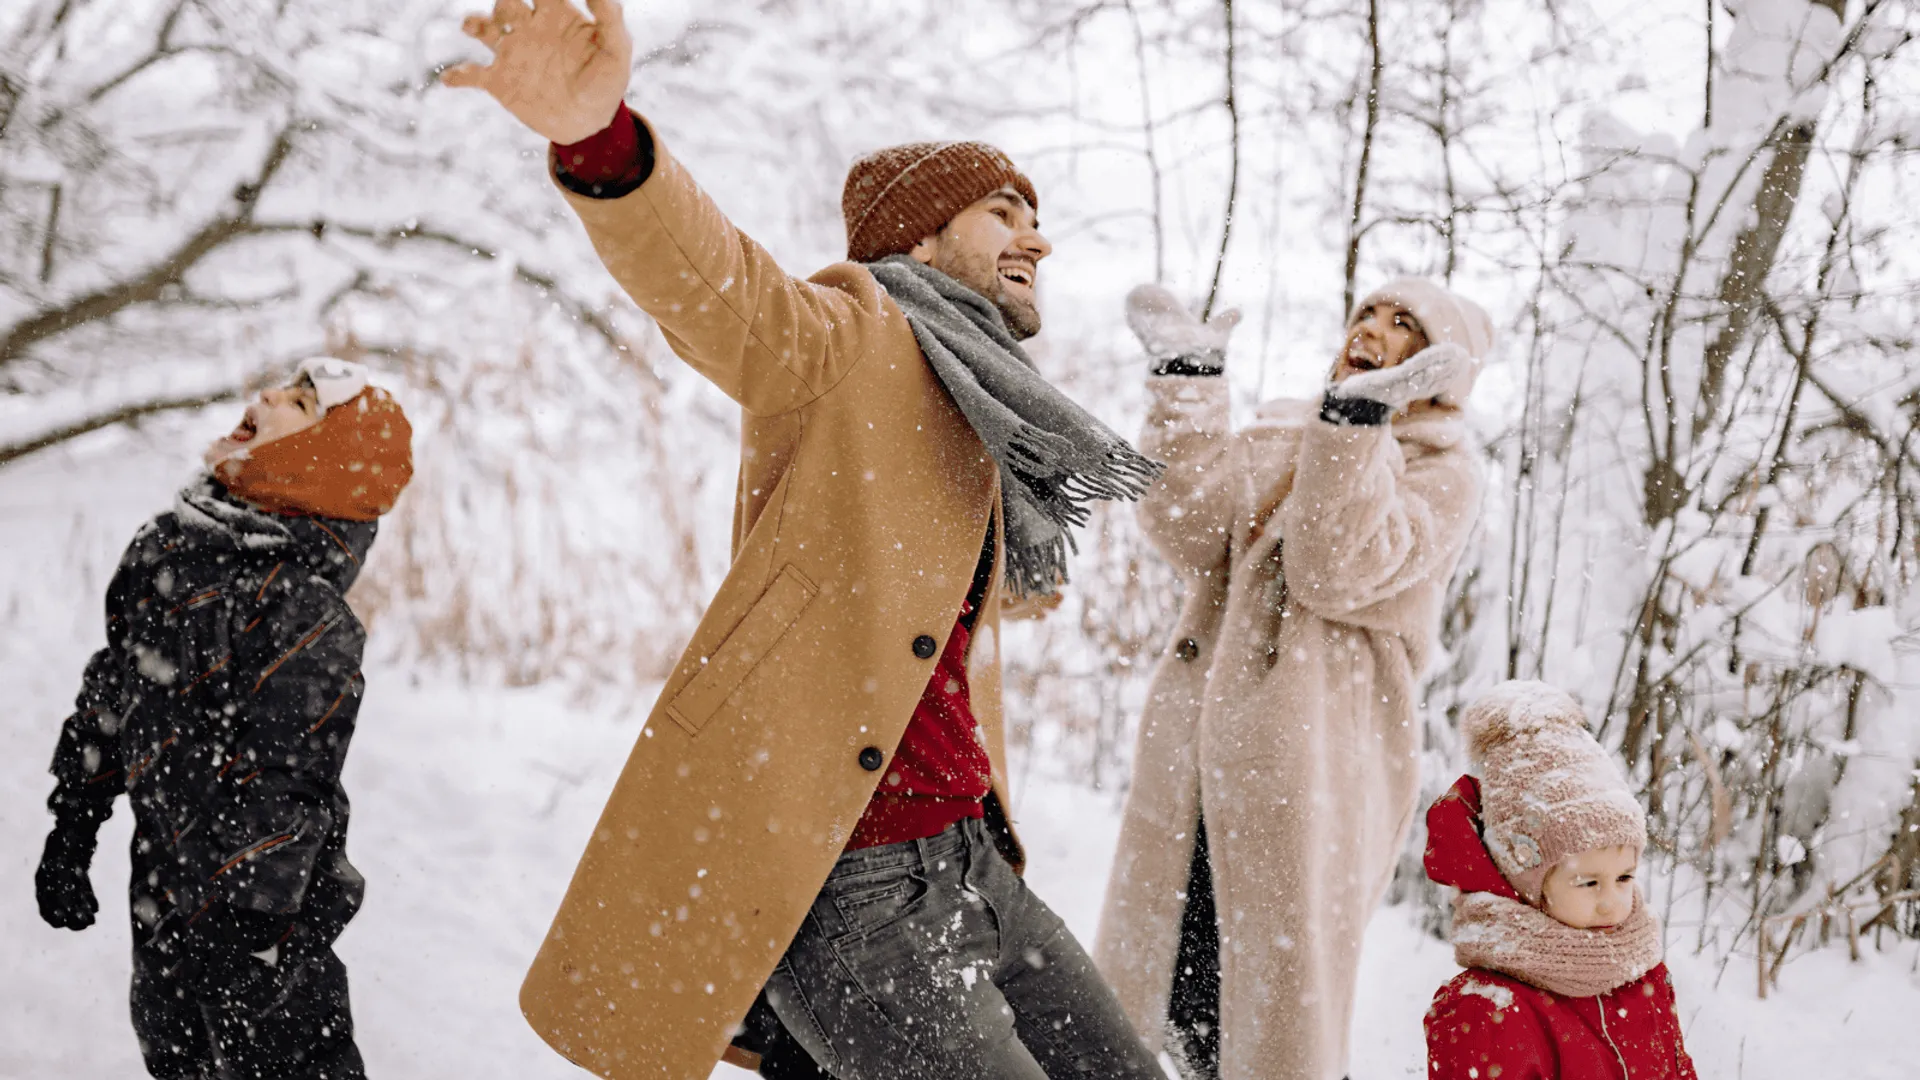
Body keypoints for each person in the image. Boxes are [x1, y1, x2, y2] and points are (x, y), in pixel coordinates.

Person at [443, 3, 1165, 1078]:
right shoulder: (850, 334)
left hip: (971, 861)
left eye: (1036, 214)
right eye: (1004, 210)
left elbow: (901, 602)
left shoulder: (987, 406)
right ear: (919, 235)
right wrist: (603, 142)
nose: (1037, 236)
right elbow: (718, 290)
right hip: (857, 886)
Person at [1095, 279, 1492, 1078]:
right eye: (1367, 315)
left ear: (1443, 366)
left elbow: (1330, 569)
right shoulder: (1288, 427)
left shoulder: (1445, 473)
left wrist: (1357, 426)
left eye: (1404, 324)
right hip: (1198, 756)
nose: (1373, 330)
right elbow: (1187, 524)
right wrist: (1189, 384)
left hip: (1311, 768)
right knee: (1161, 999)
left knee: (1275, 1015)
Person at [33, 358, 412, 1080]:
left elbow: (287, 779)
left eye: (299, 402)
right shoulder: (168, 548)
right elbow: (117, 687)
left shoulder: (303, 611)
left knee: (287, 1064)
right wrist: (74, 821)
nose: (266, 396)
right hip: (165, 889)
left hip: (265, 919)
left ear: (317, 458)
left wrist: (251, 927)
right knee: (174, 1053)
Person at [1423, 681, 1699, 1080]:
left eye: (1624, 877)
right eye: (1588, 883)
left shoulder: (1641, 974)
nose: (1611, 902)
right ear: (1527, 885)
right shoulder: (1488, 1008)